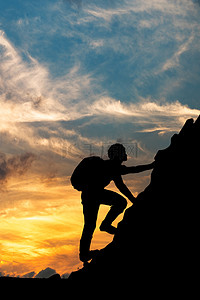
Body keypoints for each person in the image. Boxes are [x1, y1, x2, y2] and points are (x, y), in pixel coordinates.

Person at [78, 143, 155, 262]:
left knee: (90, 224)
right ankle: (104, 227)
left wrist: (134, 201)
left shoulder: (112, 167)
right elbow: (133, 170)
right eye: (123, 152)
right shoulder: (112, 166)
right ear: (117, 155)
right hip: (93, 194)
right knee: (117, 205)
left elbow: (121, 186)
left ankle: (84, 252)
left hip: (90, 195)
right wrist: (151, 165)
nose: (125, 154)